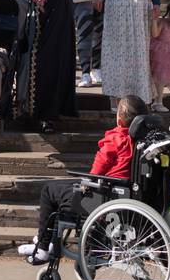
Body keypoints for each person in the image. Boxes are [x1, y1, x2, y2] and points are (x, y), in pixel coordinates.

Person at [17, 95, 147, 262]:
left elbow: (95, 173)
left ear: (119, 120)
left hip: (105, 195)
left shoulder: (116, 140)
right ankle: (47, 239)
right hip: (124, 193)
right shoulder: (141, 140)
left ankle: (42, 247)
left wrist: (86, 183)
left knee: (49, 191)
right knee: (62, 189)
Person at [7, 0, 77, 129]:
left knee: (50, 72)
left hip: (55, 32)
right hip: (32, 32)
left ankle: (48, 117)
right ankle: (26, 112)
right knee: (27, 71)